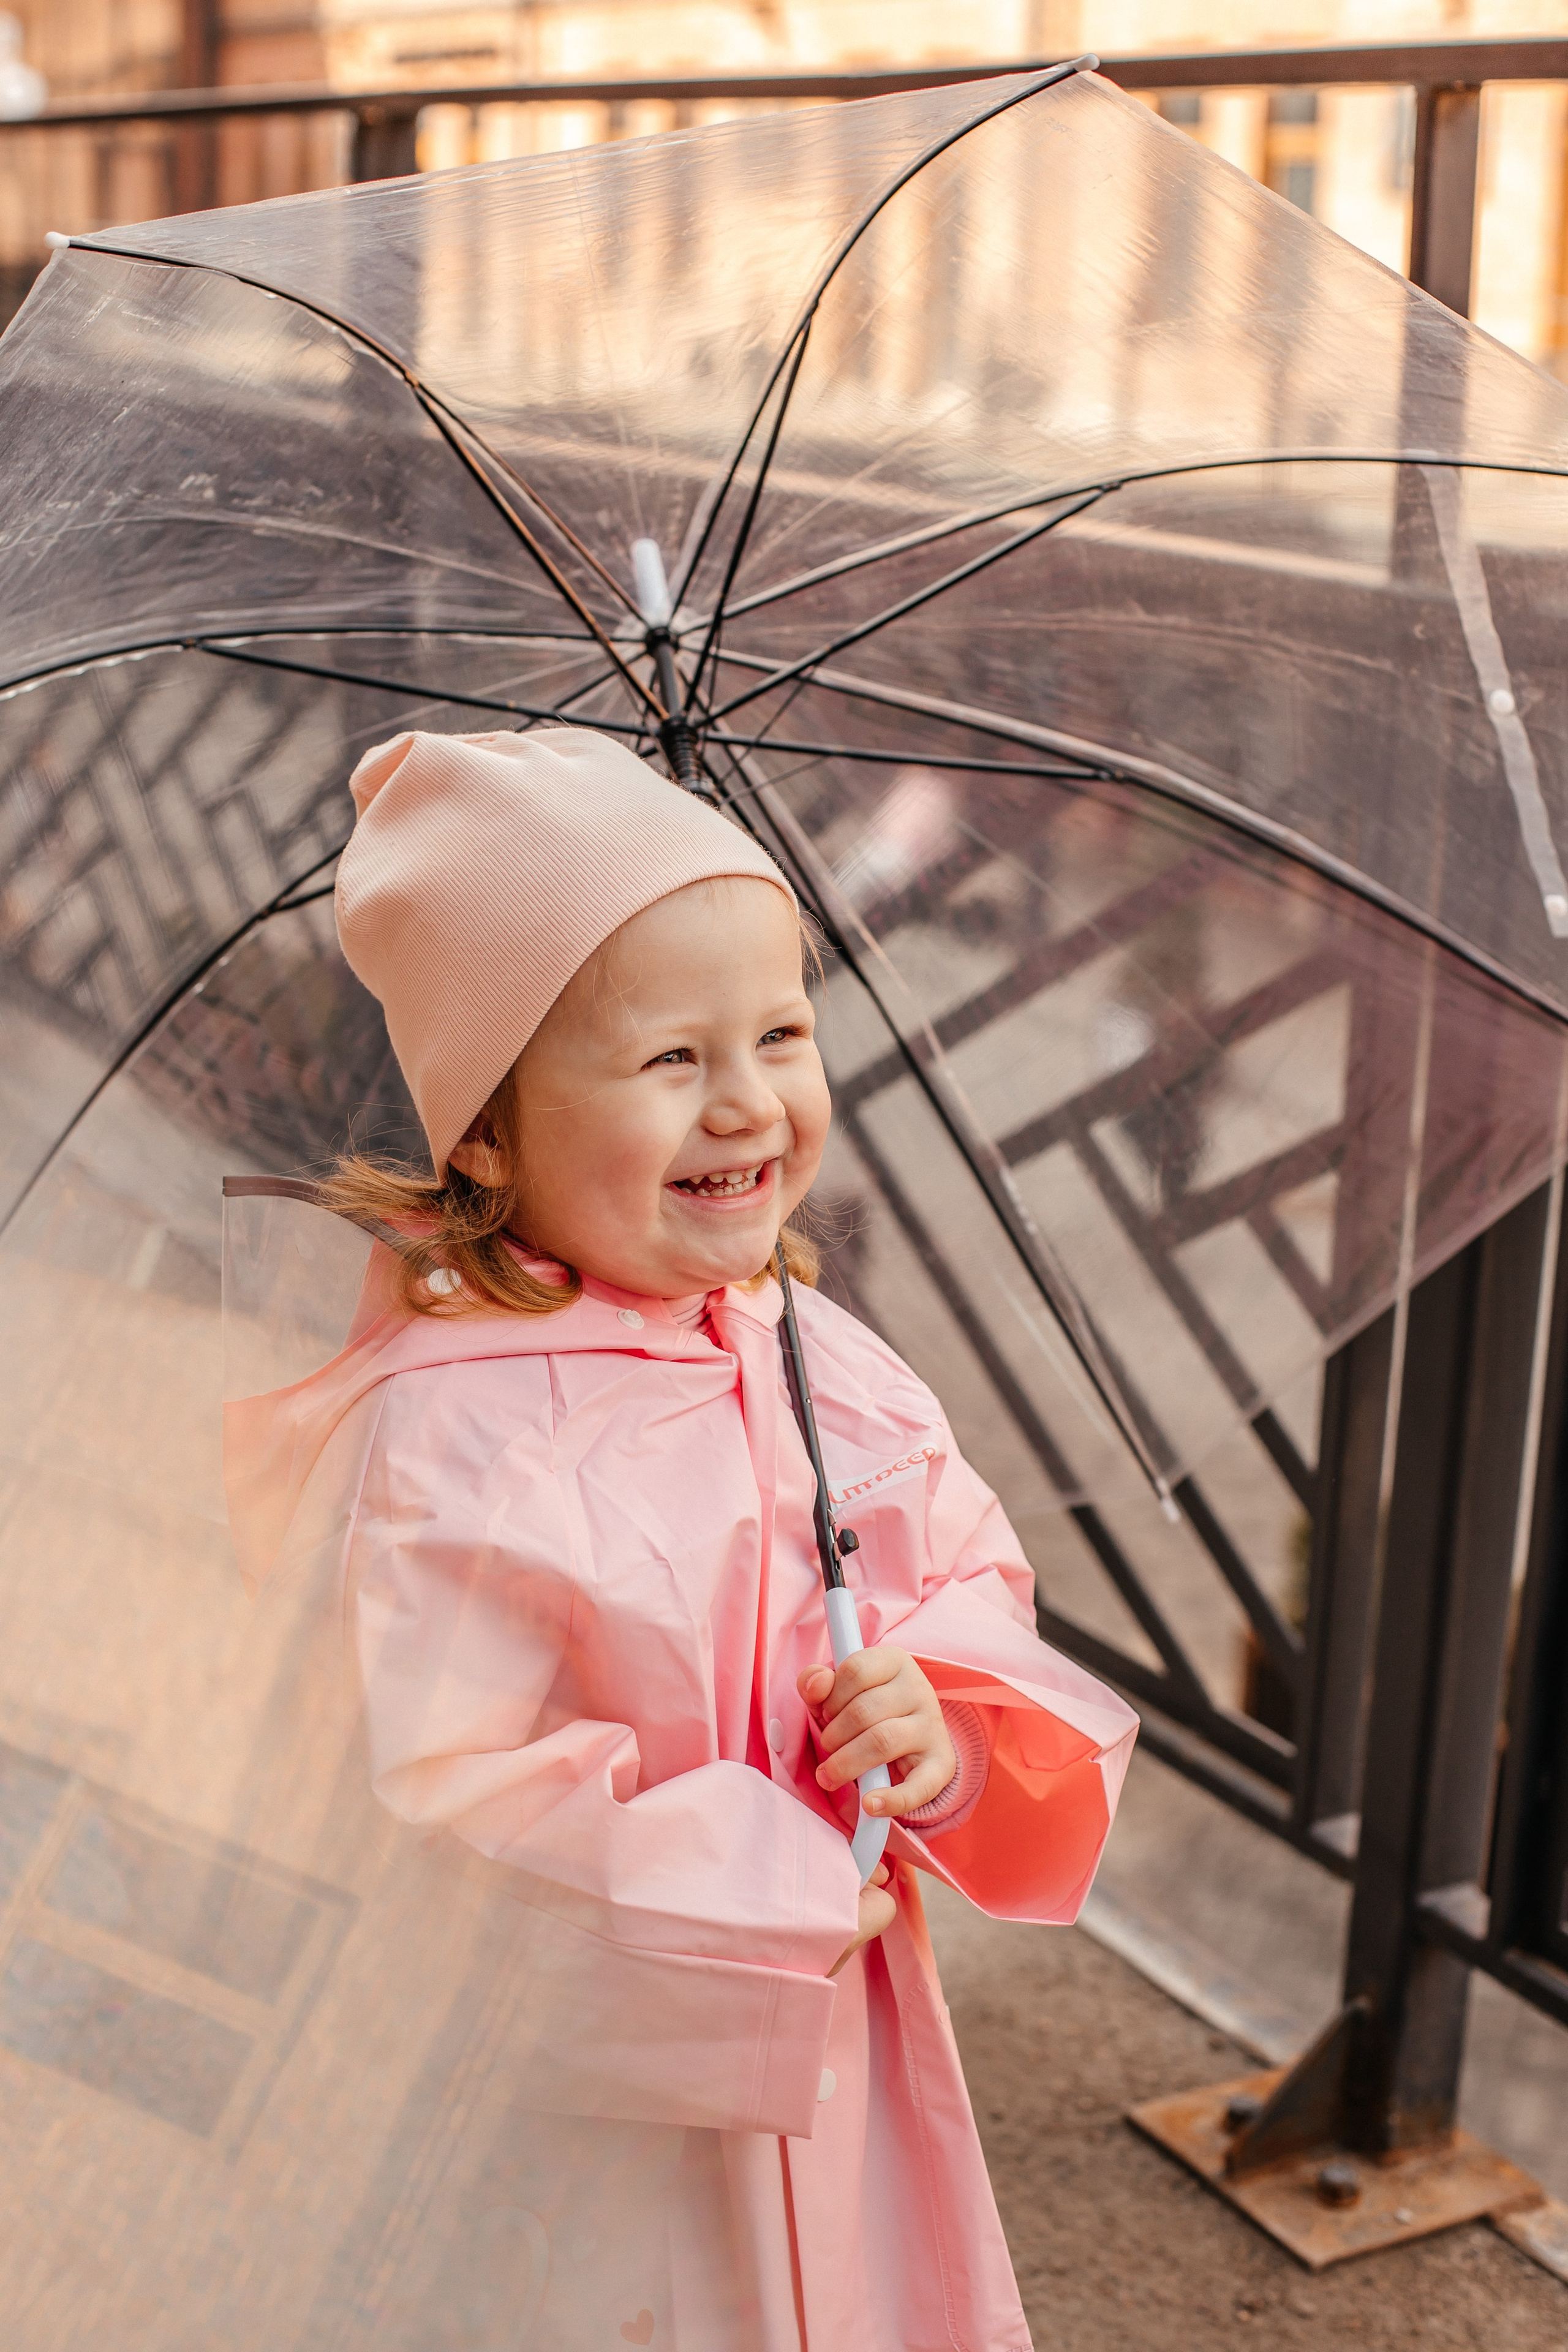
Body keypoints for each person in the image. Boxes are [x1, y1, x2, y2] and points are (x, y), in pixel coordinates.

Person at [224, 725, 1137, 2352]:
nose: (750, 1101)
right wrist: (759, 1884)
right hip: (603, 2120)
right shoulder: (455, 1436)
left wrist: (940, 1724)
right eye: (669, 1061)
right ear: (489, 1134)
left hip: (839, 2046)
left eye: (782, 1033)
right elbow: (434, 1800)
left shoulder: (804, 1339)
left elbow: (962, 1580)